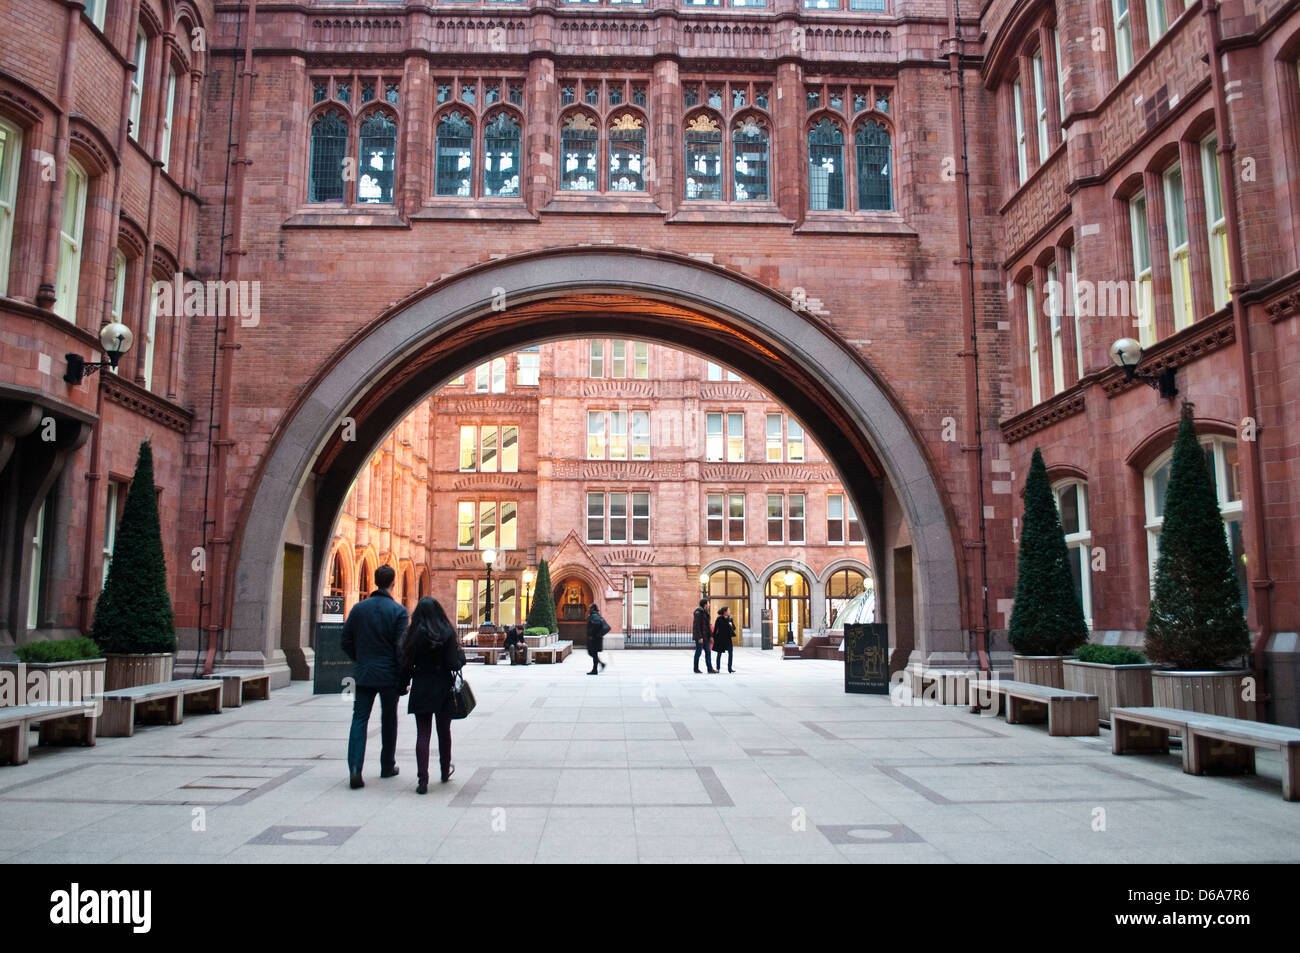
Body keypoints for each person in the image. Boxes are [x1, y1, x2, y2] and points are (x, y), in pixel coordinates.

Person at [341, 564, 408, 789]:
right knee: (389, 720)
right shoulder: (398, 611)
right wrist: (403, 677)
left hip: (364, 672)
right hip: (388, 674)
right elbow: (401, 648)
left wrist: (360, 658)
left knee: (359, 718)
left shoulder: (358, 609)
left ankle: (354, 768)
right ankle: (387, 765)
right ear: (393, 582)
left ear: (375, 581)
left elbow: (345, 641)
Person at [400, 597, 465, 793]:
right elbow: (455, 663)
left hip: (421, 686)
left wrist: (403, 684)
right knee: (444, 732)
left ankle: (422, 780)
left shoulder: (413, 634)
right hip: (443, 687)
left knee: (423, 734)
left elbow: (406, 663)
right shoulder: (446, 632)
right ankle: (445, 770)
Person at [712, 605, 737, 674]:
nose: (729, 611)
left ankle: (730, 668)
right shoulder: (719, 619)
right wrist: (713, 638)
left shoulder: (730, 618)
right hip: (720, 638)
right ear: (725, 612)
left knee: (730, 653)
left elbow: (734, 628)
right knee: (719, 653)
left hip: (728, 638)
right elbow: (716, 629)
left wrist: (731, 625)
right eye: (728, 610)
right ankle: (718, 668)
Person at [692, 598, 715, 674]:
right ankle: (696, 668)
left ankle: (710, 669)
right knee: (698, 652)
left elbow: (708, 626)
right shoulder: (698, 612)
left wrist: (711, 636)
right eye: (708, 603)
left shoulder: (706, 612)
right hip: (701, 637)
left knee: (708, 652)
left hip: (706, 637)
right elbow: (696, 626)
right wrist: (699, 637)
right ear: (705, 604)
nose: (709, 605)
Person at [586, 603, 610, 674]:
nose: (588, 609)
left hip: (594, 639)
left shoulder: (594, 616)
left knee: (593, 653)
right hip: (595, 638)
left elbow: (596, 625)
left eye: (589, 608)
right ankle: (600, 665)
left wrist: (592, 635)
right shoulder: (594, 615)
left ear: (593, 608)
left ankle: (595, 669)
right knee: (592, 653)